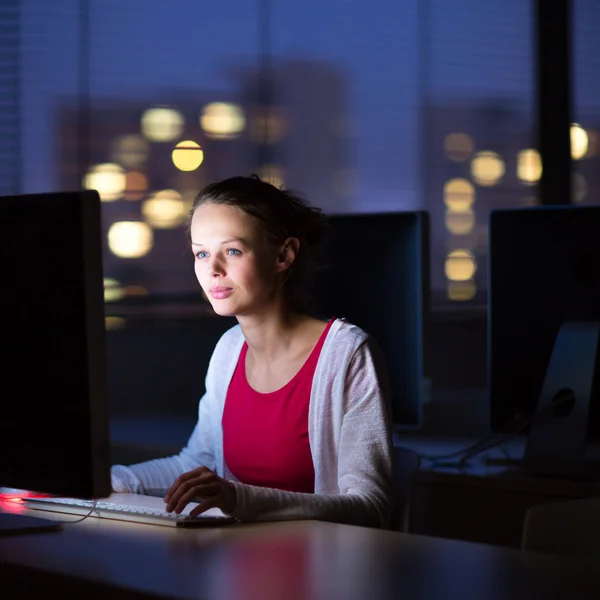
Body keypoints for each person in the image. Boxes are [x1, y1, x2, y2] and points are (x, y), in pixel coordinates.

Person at [111, 174, 394, 529]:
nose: (212, 270)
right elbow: (197, 465)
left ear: (283, 254)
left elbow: (371, 506)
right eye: (201, 253)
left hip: (322, 572)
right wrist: (107, 480)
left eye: (232, 251)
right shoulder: (229, 349)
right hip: (236, 562)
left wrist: (237, 498)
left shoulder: (347, 354)